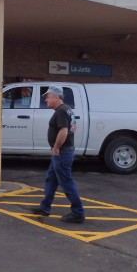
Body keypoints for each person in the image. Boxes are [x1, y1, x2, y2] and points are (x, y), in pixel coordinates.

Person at [32, 85, 85, 223]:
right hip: (64, 151)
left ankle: (78, 212)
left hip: (62, 152)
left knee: (66, 181)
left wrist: (56, 148)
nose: (46, 100)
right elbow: (73, 127)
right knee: (51, 178)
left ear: (56, 97)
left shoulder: (61, 111)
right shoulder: (67, 109)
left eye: (48, 97)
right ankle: (45, 208)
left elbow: (64, 131)